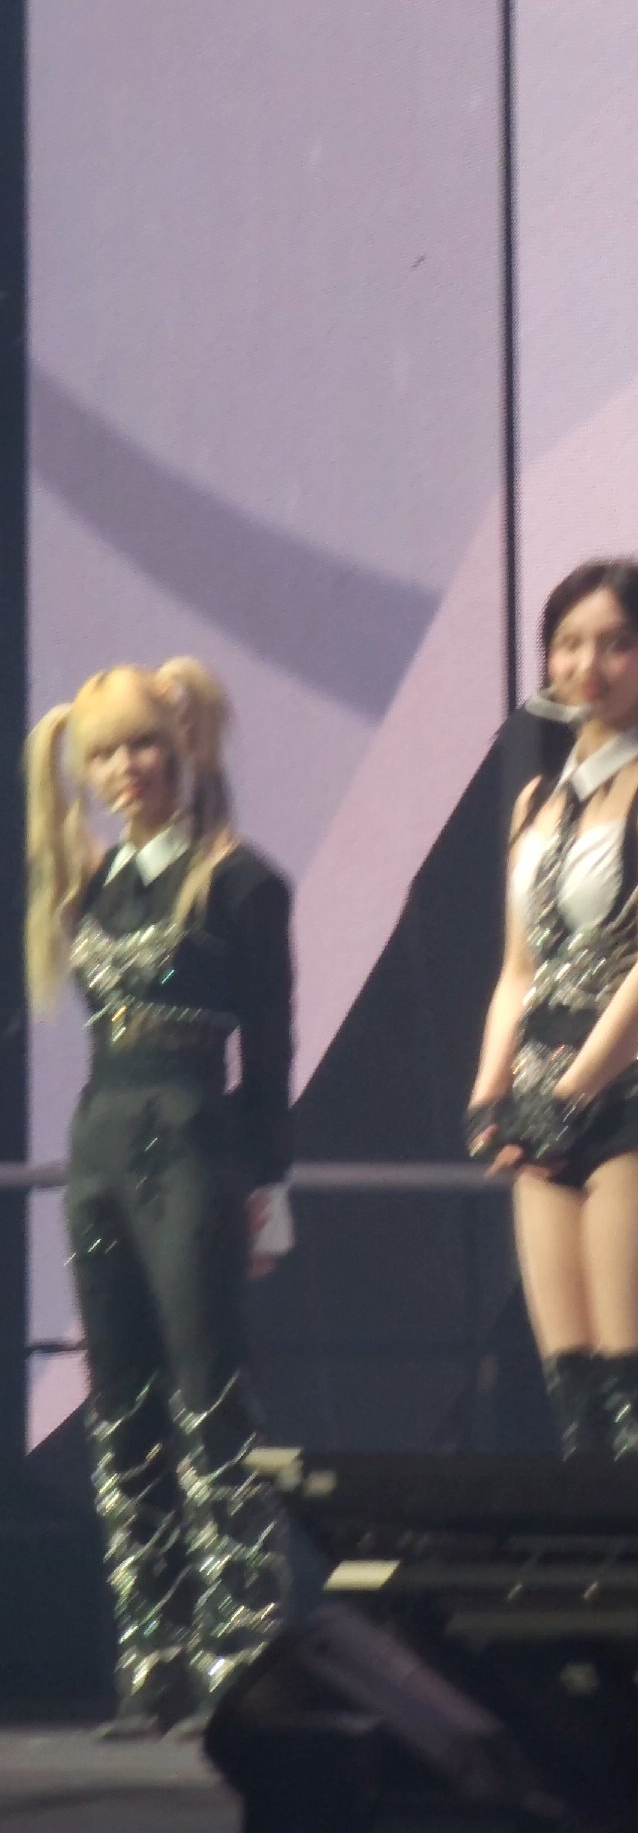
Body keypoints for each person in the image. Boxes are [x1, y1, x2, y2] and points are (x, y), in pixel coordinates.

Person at [25, 660, 294, 1735]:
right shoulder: (89, 885)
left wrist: (271, 1190)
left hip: (194, 1149)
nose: (126, 768)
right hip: (99, 1149)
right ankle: (155, 1659)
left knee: (208, 1391)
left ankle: (242, 1655)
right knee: (122, 1399)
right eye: (105, 753)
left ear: (186, 748)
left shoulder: (240, 883)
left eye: (143, 745)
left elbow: (270, 1053)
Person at [466, 561, 638, 1460]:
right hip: (541, 1104)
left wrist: (570, 1095)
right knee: (577, 1403)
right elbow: (517, 971)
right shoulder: (536, 801)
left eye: (617, 644)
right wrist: (491, 1093)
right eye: (570, 644)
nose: (590, 665)